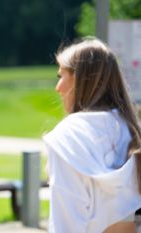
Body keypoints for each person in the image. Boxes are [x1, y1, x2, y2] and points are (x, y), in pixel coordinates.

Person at [43, 37, 141, 233]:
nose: (58, 87)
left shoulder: (67, 139)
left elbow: (66, 223)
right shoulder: (132, 131)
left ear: (80, 80)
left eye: (61, 76)